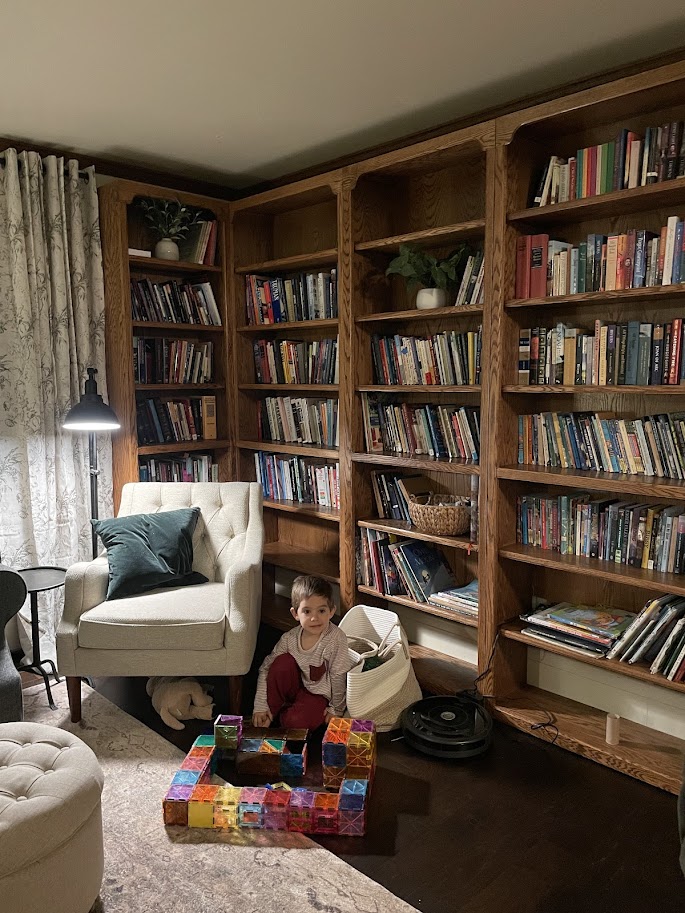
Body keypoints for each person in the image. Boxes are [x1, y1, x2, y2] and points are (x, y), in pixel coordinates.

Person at [252, 575, 351, 730]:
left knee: (296, 722)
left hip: (318, 696)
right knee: (281, 663)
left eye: (322, 611)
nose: (314, 618)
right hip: (294, 688)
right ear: (295, 614)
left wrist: (336, 710)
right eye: (307, 611)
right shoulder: (289, 638)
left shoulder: (335, 638)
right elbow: (266, 668)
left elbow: (339, 676)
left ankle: (284, 717)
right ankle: (272, 712)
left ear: (331, 611)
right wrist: (260, 705)